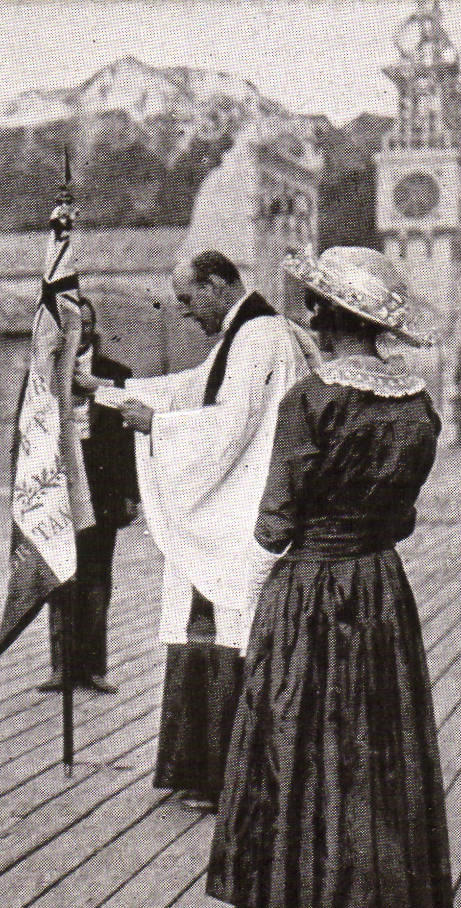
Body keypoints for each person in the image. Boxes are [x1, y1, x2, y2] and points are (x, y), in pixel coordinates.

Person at [209, 246, 452, 908]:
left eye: (312, 302)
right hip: (378, 584)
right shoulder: (416, 405)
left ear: (326, 315)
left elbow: (274, 523)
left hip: (310, 590)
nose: (306, 312)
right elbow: (400, 518)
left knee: (297, 725)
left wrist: (241, 581)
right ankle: (376, 891)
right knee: (376, 731)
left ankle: (298, 891)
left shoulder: (309, 399)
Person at [94, 250, 312, 812]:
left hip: (238, 508)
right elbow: (196, 387)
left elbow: (231, 423)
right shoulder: (245, 333)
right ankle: (206, 770)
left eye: (190, 300)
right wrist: (105, 390)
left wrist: (158, 426)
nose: (188, 314)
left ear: (219, 286)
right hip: (231, 500)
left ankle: (225, 776)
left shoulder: (260, 336)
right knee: (206, 628)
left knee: (221, 630)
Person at [39, 301, 138, 696]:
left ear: (93, 328)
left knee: (96, 578)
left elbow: (129, 440)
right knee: (60, 577)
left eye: (85, 325)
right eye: (69, 327)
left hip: (101, 492)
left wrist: (130, 493)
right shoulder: (43, 377)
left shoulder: (115, 375)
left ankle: (94, 666)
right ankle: (62, 666)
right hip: (59, 490)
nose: (77, 333)